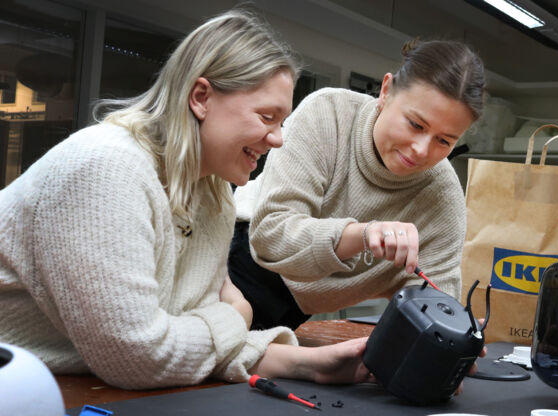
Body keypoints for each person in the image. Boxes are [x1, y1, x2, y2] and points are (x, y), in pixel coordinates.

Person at [0, 8, 372, 390]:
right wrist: (237, 315)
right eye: (266, 117)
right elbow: (136, 357)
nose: (278, 138)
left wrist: (311, 364)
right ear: (200, 97)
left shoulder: (213, 196)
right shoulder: (105, 169)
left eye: (281, 122)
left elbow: (188, 335)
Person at [230, 39, 486, 330]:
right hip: (241, 264)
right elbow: (271, 237)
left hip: (296, 308)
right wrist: (364, 234)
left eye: (444, 141)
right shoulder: (328, 113)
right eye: (416, 124)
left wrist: (449, 339)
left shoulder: (442, 198)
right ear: (387, 91)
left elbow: (435, 301)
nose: (421, 150)